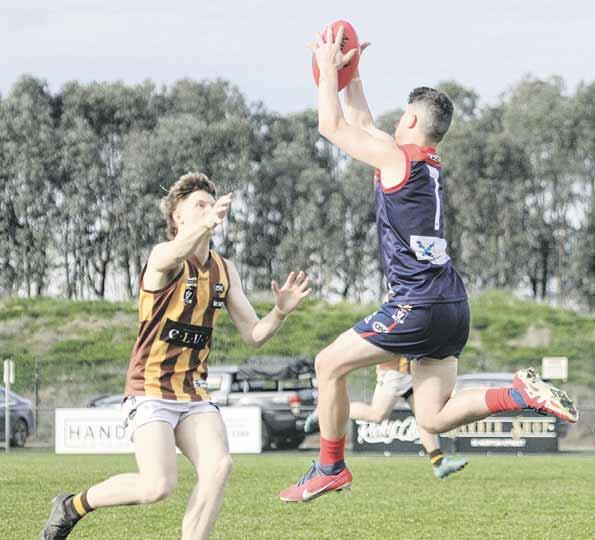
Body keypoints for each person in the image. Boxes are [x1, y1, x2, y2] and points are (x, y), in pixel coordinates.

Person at [279, 26, 577, 502]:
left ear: (413, 120)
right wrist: (355, 73)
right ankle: (518, 395)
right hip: (453, 305)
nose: (395, 122)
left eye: (403, 116)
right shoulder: (422, 161)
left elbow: (332, 127)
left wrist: (329, 71)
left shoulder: (397, 158)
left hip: (417, 303)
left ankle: (330, 466)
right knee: (432, 418)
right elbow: (361, 122)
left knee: (327, 364)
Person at [41, 172, 312, 539]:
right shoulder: (164, 257)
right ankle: (72, 505)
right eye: (199, 205)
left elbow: (254, 334)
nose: (210, 210)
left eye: (212, 205)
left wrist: (279, 311)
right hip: (150, 389)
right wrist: (205, 223)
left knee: (219, 467)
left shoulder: (224, 269)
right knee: (157, 486)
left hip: (193, 392)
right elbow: (176, 251)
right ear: (177, 216)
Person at [304, 357, 468, 479]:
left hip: (409, 375)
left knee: (425, 418)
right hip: (393, 374)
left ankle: (438, 462)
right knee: (377, 414)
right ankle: (325, 411)